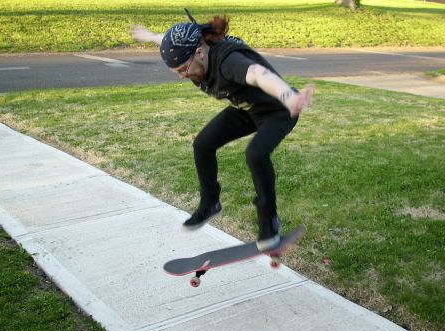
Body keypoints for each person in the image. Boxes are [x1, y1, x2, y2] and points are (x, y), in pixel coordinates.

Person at [132, 10, 314, 250]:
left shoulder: (228, 61)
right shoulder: (193, 47)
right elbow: (168, 38)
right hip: (247, 109)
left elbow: (259, 75)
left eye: (183, 70)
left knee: (256, 154)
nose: (181, 76)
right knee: (203, 144)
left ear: (199, 53)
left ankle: (269, 224)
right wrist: (149, 36)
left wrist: (289, 96)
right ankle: (210, 204)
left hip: (279, 109)